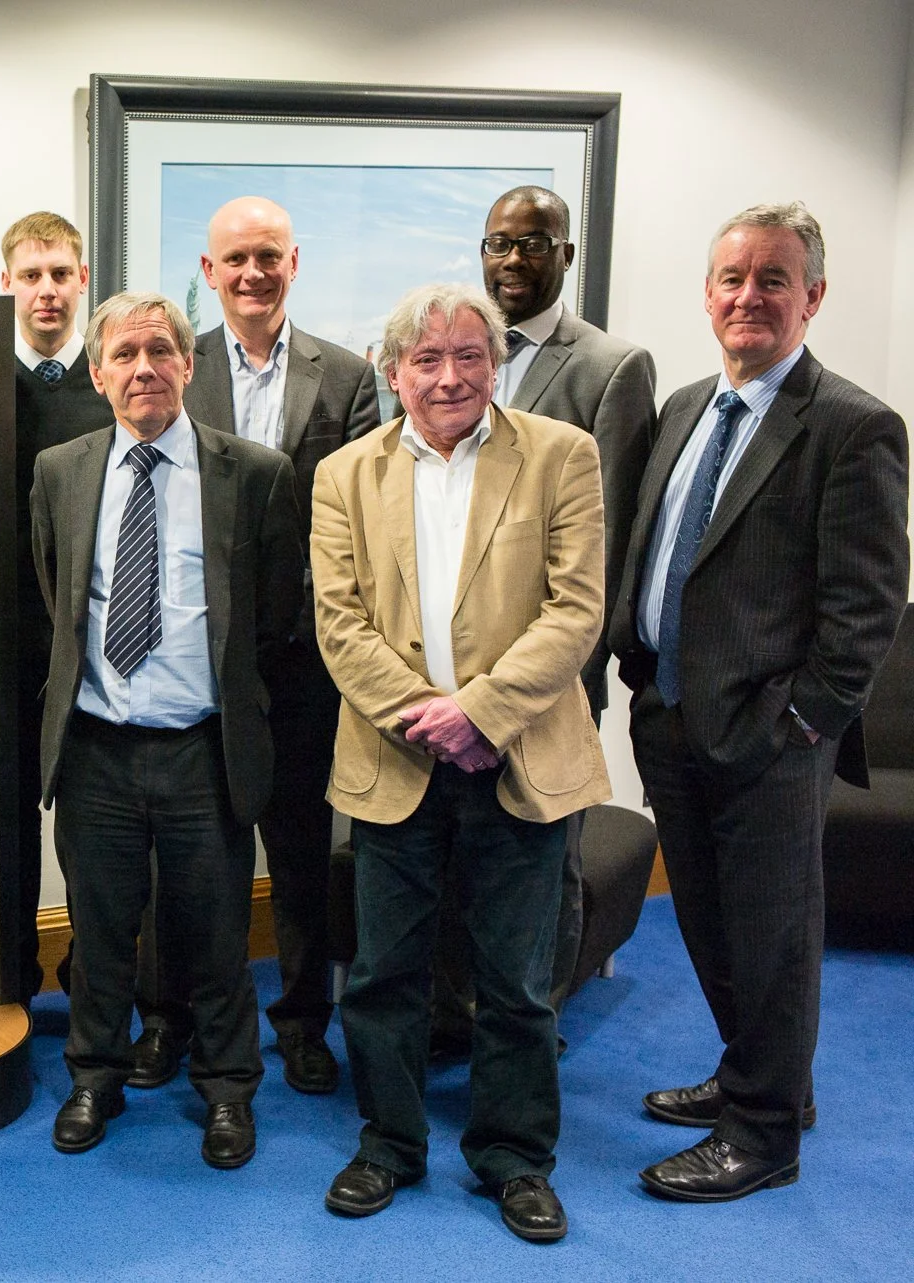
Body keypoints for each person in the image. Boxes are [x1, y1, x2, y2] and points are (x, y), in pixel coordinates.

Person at [610, 203, 909, 1203]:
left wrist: (808, 719)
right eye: (732, 278)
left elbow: (867, 602)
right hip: (671, 716)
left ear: (812, 297)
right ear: (708, 294)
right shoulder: (690, 404)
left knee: (775, 936)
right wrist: (638, 673)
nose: (749, 296)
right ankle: (757, 1074)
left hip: (773, 735)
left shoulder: (854, 425)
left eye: (774, 280)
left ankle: (765, 1131)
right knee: (707, 923)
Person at [311, 282, 609, 1242]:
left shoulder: (562, 455)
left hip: (520, 758)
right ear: (392, 371)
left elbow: (575, 610)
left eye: (470, 356)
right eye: (428, 360)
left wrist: (481, 712)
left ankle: (515, 1158)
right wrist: (427, 718)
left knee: (518, 982)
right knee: (383, 976)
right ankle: (389, 1145)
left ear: (497, 363)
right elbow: (340, 622)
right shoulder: (344, 475)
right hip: (396, 762)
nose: (450, 377)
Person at [31, 291, 303, 1169]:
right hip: (97, 748)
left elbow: (272, 620)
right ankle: (95, 1075)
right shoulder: (60, 472)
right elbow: (57, 597)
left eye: (161, 350)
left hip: (203, 747)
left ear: (189, 365)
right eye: (125, 354)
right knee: (100, 927)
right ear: (98, 371)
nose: (143, 368)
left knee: (218, 929)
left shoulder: (253, 473)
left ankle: (228, 1090)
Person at [430, 185, 660, 1051]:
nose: (514, 260)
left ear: (565, 255)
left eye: (534, 244)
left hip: (549, 673)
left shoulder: (610, 364)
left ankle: (537, 1021)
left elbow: (612, 536)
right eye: (498, 243)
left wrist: (563, 664)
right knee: (455, 847)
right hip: (450, 674)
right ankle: (455, 1013)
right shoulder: (452, 354)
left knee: (544, 857)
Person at [181, 195, 382, 1094]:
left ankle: (302, 1022)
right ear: (208, 270)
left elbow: (371, 518)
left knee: (300, 855)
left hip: (304, 661)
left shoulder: (345, 378)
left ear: (293, 264)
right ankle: (185, 1015)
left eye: (269, 256)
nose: (253, 273)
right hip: (200, 655)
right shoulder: (176, 371)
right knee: (195, 852)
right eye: (237, 259)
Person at [0, 211, 108, 1006]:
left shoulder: (110, 380)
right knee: (3, 816)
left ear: (82, 280)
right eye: (31, 275)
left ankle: (92, 975)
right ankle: (10, 974)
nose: (46, 291)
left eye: (60, 274)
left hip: (95, 641)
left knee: (89, 819)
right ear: (5, 284)